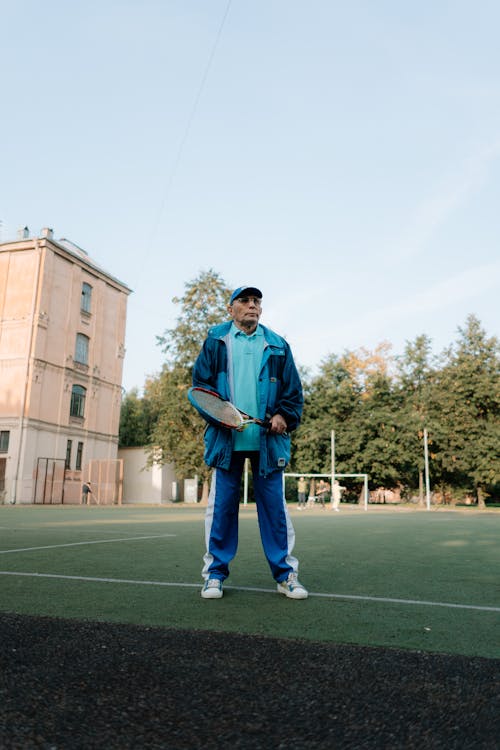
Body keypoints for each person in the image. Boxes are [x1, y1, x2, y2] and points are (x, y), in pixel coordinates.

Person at [191, 285, 308, 600]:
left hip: (268, 444)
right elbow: (200, 389)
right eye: (244, 300)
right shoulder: (216, 341)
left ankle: (286, 576)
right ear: (231, 309)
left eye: (256, 301)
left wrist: (284, 415)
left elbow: (294, 393)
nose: (252, 305)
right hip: (226, 442)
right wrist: (223, 418)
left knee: (275, 511)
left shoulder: (278, 345)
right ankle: (214, 575)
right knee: (221, 510)